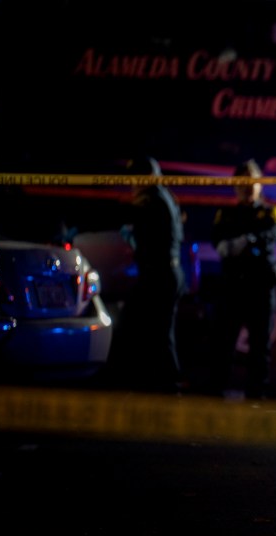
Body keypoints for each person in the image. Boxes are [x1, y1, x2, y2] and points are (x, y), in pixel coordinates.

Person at [104, 156, 188, 393]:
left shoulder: (153, 199)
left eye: (136, 178)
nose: (133, 183)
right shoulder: (164, 196)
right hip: (165, 272)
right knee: (156, 331)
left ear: (148, 177)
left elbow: (126, 214)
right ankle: (162, 383)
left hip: (159, 275)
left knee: (136, 327)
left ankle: (164, 384)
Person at [207, 159, 276, 400]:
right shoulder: (225, 214)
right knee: (223, 343)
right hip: (232, 287)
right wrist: (231, 245)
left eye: (252, 182)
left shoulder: (271, 212)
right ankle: (216, 394)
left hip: (260, 287)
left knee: (260, 346)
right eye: (242, 183)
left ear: (260, 184)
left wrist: (246, 241)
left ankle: (257, 398)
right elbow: (217, 239)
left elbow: (270, 234)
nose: (248, 187)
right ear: (235, 186)